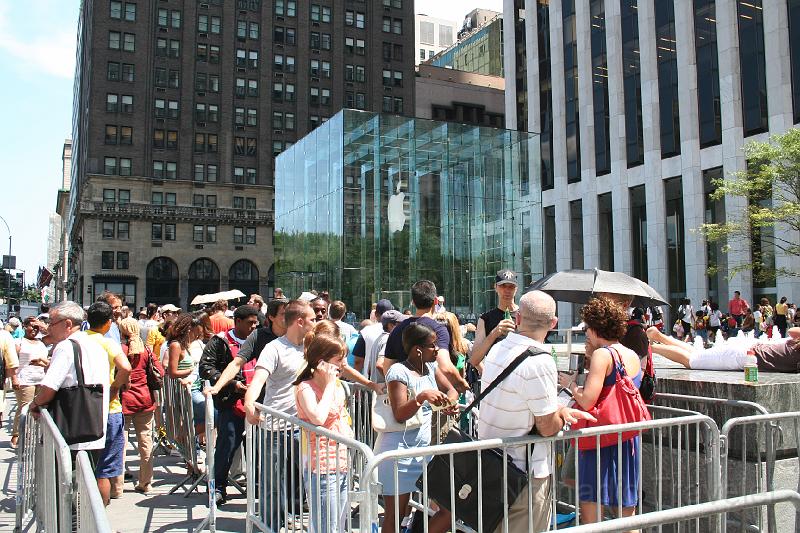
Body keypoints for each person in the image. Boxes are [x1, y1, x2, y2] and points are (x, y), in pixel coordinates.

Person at [478, 290, 595, 533]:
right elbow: (547, 426)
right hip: (525, 471)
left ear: (518, 318)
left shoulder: (497, 350)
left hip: (491, 462)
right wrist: (562, 412)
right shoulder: (540, 361)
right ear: (553, 323)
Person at [558, 297, 644, 525]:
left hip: (600, 437)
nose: (586, 332)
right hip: (626, 436)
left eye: (587, 327)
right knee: (627, 512)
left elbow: (587, 401)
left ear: (596, 328)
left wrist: (570, 384)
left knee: (592, 506)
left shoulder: (602, 355)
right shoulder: (632, 354)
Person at [374, 323, 458, 533]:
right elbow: (400, 413)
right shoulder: (397, 371)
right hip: (398, 455)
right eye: (433, 345)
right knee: (396, 516)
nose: (438, 349)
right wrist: (422, 397)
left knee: (450, 509)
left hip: (424, 454)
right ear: (417, 349)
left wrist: (447, 403)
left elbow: (451, 390)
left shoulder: (430, 368)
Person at [244, 300, 316, 530]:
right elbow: (258, 380)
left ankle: (301, 520)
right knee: (272, 483)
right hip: (275, 427)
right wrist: (249, 402)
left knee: (307, 480)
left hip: (304, 426)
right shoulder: (274, 348)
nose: (316, 322)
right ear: (300, 321)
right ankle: (270, 526)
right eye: (313, 319)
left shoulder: (312, 347)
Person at [29, 301, 110, 470]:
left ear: (67, 324)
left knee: (67, 486)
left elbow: (49, 388)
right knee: (90, 482)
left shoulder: (66, 347)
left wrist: (35, 404)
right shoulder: (96, 345)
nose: (48, 328)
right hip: (94, 428)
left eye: (52, 323)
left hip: (72, 432)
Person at [199, 305, 259, 504]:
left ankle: (258, 485)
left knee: (259, 449)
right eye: (250, 322)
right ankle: (218, 487)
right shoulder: (220, 341)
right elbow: (206, 368)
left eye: (256, 322)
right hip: (231, 404)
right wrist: (232, 385)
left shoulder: (261, 340)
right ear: (238, 321)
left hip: (258, 404)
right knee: (226, 446)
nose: (254, 326)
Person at [293, 332, 353, 533]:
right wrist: (328, 385)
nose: (342, 364)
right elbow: (317, 418)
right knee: (327, 526)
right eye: (338, 360)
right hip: (323, 465)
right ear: (322, 362)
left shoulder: (335, 386)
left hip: (342, 460)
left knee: (338, 524)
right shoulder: (305, 388)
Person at [85, 301, 133, 505]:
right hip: (109, 409)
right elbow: (126, 368)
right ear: (108, 324)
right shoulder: (108, 343)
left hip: (84, 408)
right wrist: (115, 387)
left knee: (84, 466)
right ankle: (100, 518)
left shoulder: (77, 340)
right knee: (103, 470)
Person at [382, 280, 468, 393]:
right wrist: (462, 385)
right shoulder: (438, 329)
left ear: (413, 302)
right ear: (436, 301)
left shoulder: (397, 330)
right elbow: (445, 367)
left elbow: (387, 367)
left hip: (405, 396)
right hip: (431, 399)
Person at [118, 318, 163, 494]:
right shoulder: (145, 351)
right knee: (146, 442)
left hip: (123, 400)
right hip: (145, 400)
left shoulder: (120, 350)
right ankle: (146, 483)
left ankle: (118, 485)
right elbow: (160, 370)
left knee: (120, 444)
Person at [648, 325, 800, 373]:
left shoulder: (796, 342)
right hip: (742, 357)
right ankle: (651, 347)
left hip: (746, 349)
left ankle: (658, 336)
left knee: (696, 354)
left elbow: (792, 331)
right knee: (691, 361)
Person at [469, 269, 519, 370]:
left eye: (511, 286)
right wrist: (494, 333)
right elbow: (474, 360)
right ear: (495, 287)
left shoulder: (524, 315)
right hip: (497, 375)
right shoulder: (485, 319)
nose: (507, 290)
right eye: (503, 286)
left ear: (516, 289)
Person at [11, 317, 48, 447]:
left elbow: (55, 336)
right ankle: (17, 435)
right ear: (24, 326)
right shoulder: (19, 341)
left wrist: (41, 325)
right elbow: (12, 361)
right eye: (32, 326)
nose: (34, 329)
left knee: (37, 408)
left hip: (41, 379)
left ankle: (30, 436)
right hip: (25, 380)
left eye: (36, 327)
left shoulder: (42, 341)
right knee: (24, 407)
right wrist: (14, 377)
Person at [352, 299, 395, 374]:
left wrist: (356, 380)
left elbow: (358, 361)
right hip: (390, 380)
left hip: (369, 381)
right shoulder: (395, 331)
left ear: (376, 314)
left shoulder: (366, 331)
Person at [364, 310, 405, 383]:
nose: (403, 326)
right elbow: (379, 365)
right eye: (400, 324)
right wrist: (392, 382)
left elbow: (369, 368)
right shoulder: (387, 339)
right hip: (384, 389)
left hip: (377, 388)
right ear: (391, 325)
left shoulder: (379, 338)